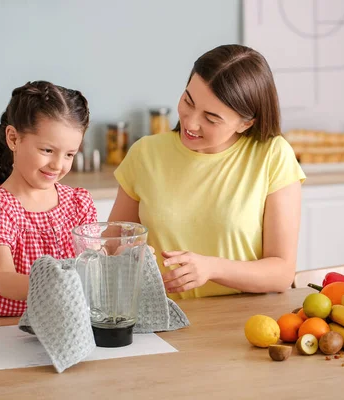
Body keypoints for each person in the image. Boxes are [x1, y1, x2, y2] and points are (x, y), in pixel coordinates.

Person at [109, 44, 306, 300]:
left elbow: (281, 273)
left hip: (242, 325)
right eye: (188, 101)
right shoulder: (145, 154)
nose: (190, 122)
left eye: (211, 118)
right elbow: (111, 245)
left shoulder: (272, 156)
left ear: (246, 123)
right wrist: (121, 254)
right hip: (158, 317)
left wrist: (212, 268)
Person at [0, 81, 97, 318]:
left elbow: (94, 265)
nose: (58, 165)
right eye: (47, 150)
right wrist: (61, 285)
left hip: (64, 332)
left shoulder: (79, 204)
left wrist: (123, 255)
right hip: (1, 336)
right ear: (14, 139)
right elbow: (5, 281)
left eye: (69, 154)